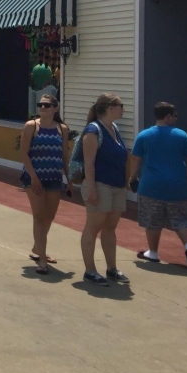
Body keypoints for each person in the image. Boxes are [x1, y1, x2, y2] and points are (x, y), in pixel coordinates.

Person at [131, 102, 187, 269]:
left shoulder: (144, 135)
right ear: (168, 116)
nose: (176, 119)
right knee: (181, 220)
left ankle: (153, 252)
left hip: (151, 185)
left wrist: (132, 177)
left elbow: (135, 158)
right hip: (177, 186)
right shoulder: (182, 136)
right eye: (175, 116)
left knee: (152, 220)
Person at [79, 93, 129, 286]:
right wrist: (92, 189)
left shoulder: (114, 128)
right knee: (93, 227)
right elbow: (89, 162)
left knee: (110, 228)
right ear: (109, 108)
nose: (123, 109)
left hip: (116, 185)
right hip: (100, 184)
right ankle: (90, 271)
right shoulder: (93, 130)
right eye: (120, 105)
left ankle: (111, 268)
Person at [19, 94, 69, 275]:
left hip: (54, 177)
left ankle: (37, 247)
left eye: (47, 105)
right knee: (39, 217)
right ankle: (42, 259)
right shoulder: (31, 126)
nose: (42, 107)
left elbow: (64, 156)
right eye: (40, 104)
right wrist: (33, 176)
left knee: (49, 216)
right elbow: (24, 153)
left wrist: (69, 180)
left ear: (55, 108)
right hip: (34, 178)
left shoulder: (62, 129)